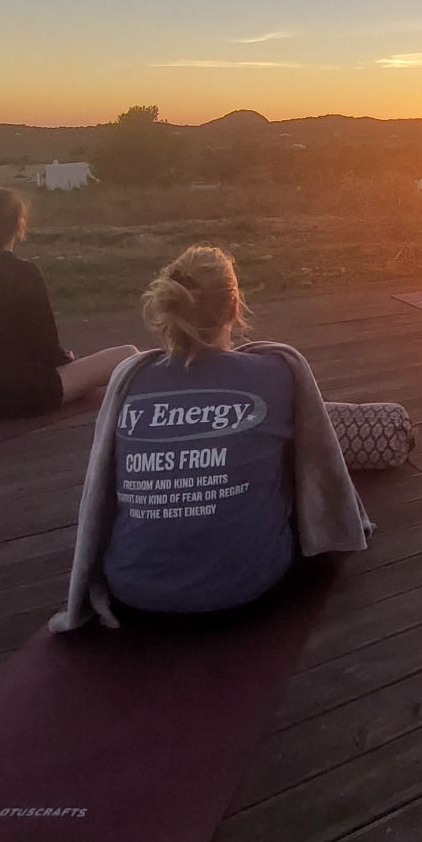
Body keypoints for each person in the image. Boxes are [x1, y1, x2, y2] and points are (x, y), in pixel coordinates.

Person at [50, 244, 370, 629]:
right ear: (234, 308)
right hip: (245, 591)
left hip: (133, 594)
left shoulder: (130, 380)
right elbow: (310, 463)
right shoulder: (275, 373)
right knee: (277, 461)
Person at [0, 188, 135, 420]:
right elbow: (46, 345)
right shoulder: (24, 273)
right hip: (20, 392)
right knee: (128, 355)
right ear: (18, 225)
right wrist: (67, 361)